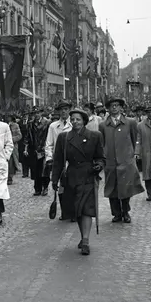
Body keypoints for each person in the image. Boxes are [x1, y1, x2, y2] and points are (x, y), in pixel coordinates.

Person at [51, 109, 105, 256]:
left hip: (88, 175)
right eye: (73, 119)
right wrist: (55, 179)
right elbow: (58, 161)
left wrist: (99, 165)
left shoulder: (95, 136)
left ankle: (85, 241)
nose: (75, 122)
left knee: (86, 208)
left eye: (78, 119)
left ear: (84, 121)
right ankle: (83, 237)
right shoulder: (64, 137)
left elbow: (101, 157)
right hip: (72, 177)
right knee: (78, 210)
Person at [98, 97, 144, 223]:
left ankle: (125, 212)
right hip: (110, 161)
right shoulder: (103, 125)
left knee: (125, 188)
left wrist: (133, 153)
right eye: (112, 105)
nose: (114, 107)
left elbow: (135, 139)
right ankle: (116, 213)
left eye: (117, 105)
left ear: (121, 107)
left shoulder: (130, 122)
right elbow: (102, 143)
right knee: (112, 188)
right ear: (108, 108)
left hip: (126, 160)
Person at [45, 99, 73, 221]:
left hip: (73, 159)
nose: (63, 112)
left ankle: (74, 212)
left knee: (73, 186)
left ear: (69, 110)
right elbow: (49, 144)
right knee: (61, 187)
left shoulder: (75, 123)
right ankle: (65, 212)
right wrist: (49, 159)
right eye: (61, 110)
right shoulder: (53, 126)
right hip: (59, 160)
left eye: (66, 109)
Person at [25, 108, 51, 196]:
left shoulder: (47, 123)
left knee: (45, 169)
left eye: (38, 113)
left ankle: (45, 187)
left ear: (41, 113)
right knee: (36, 170)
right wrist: (26, 148)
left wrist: (46, 146)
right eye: (35, 113)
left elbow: (49, 135)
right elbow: (28, 136)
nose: (36, 114)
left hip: (44, 148)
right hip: (34, 149)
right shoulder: (30, 124)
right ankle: (37, 189)